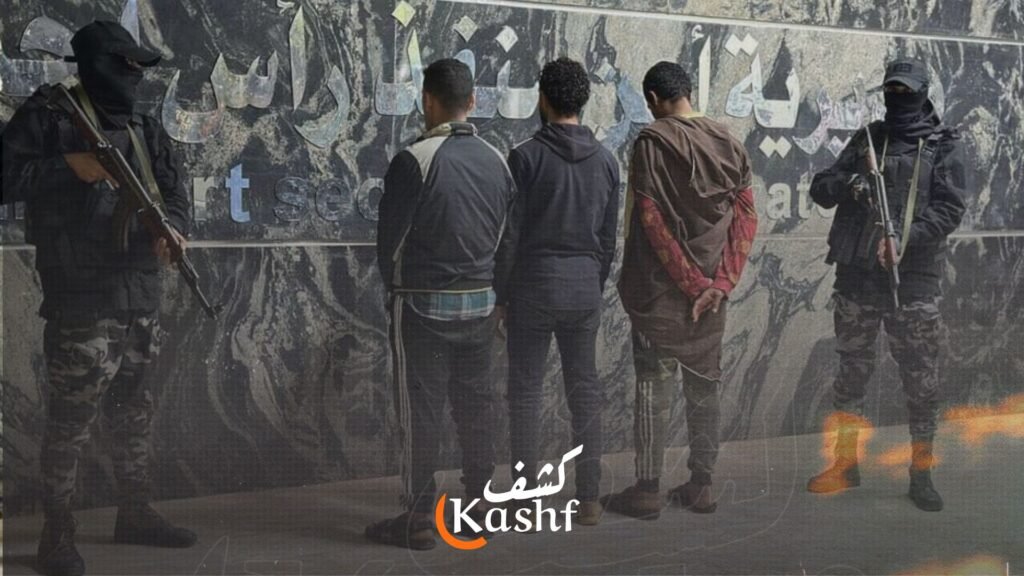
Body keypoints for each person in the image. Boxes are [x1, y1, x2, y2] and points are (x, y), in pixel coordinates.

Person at [1, 20, 197, 576]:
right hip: (82, 296)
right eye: (124, 66)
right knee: (71, 423)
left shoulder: (142, 125)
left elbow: (175, 192)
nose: (133, 78)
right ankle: (57, 533)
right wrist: (67, 167)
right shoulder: (49, 116)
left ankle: (134, 512)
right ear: (94, 66)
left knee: (134, 412)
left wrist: (172, 228)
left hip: (139, 292)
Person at [807, 57, 966, 512]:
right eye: (891, 91)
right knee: (850, 375)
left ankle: (921, 472)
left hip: (912, 282)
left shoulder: (942, 146)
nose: (898, 99)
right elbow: (821, 187)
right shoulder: (869, 139)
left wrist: (905, 239)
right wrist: (852, 185)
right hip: (858, 279)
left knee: (920, 379)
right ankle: (845, 463)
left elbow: (950, 209)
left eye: (906, 92)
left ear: (923, 92)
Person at [600, 61, 758, 519]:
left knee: (653, 387)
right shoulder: (729, 141)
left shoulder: (652, 142)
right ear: (688, 91)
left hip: (661, 293)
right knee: (705, 387)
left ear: (652, 99)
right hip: (713, 297)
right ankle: (702, 486)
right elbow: (747, 218)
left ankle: (648, 490)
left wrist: (692, 284)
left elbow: (650, 218)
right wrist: (720, 284)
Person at [369, 58, 515, 550]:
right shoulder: (497, 161)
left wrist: (396, 289)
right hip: (481, 306)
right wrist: (497, 297)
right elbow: (507, 240)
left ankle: (417, 518)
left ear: (426, 100)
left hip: (421, 308)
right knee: (477, 408)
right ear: (472, 101)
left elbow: (389, 243)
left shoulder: (415, 160)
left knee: (421, 411)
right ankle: (478, 508)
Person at [493, 57, 620, 526]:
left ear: (542, 99)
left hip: (532, 287)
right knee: (584, 392)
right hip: (583, 287)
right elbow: (608, 240)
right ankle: (589, 500)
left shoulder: (524, 156)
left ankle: (525, 502)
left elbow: (510, 235)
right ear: (582, 101)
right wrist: (591, 282)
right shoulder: (607, 161)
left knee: (525, 393)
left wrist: (501, 295)